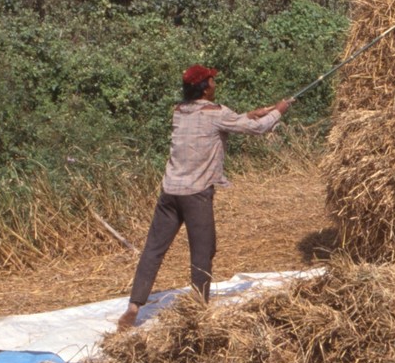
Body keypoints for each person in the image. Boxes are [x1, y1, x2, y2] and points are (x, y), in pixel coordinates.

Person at [116, 65, 291, 331]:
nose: (214, 83)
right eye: (212, 80)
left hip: (170, 191)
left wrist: (250, 114)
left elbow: (219, 123)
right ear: (205, 87)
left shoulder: (179, 111)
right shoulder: (216, 113)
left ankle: (133, 308)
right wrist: (278, 110)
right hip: (196, 195)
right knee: (203, 252)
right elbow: (256, 130)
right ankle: (199, 308)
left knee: (153, 250)